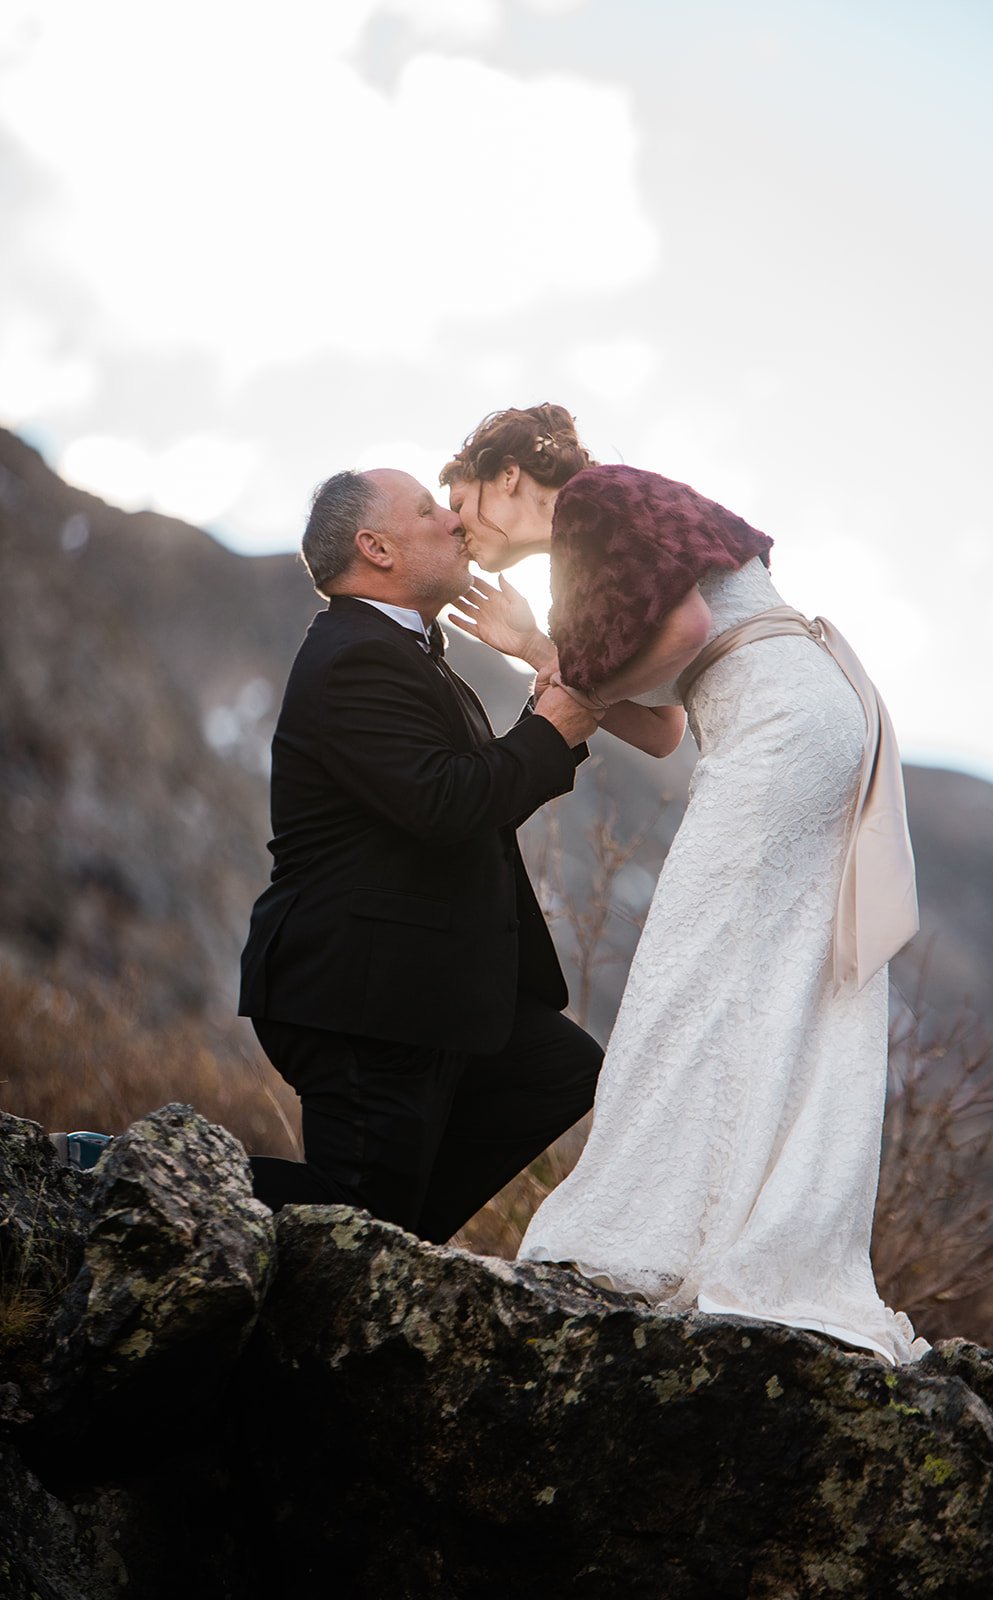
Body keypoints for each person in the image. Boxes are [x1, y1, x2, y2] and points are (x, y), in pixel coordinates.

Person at [440, 403, 926, 1364]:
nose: (463, 530)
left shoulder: (592, 499)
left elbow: (689, 629)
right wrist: (541, 647)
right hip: (798, 716)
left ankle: (634, 1236)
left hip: (780, 725)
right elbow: (659, 724)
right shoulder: (592, 544)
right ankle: (728, 1228)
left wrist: (546, 653)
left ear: (505, 475)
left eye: (462, 503)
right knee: (768, 980)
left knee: (685, 969)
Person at [237, 467, 603, 1243]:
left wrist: (547, 699)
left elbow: (465, 795)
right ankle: (132, 1177)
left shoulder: (410, 654)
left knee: (558, 1071)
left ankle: (395, 1254)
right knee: (354, 1217)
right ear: (376, 547)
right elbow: (445, 803)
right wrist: (550, 727)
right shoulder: (352, 656)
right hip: (363, 996)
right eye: (429, 509)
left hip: (432, 991)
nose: (454, 521)